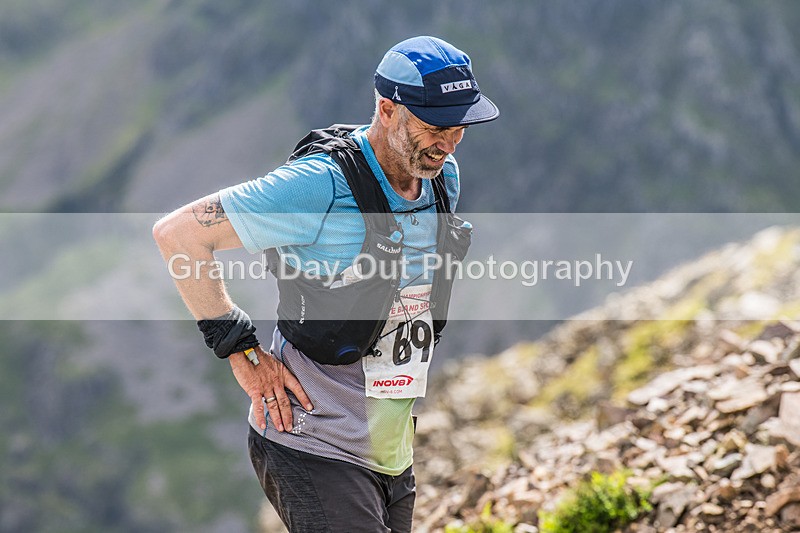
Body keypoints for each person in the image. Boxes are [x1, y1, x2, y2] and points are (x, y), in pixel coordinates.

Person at [153, 35, 499, 533]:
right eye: (435, 127)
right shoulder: (319, 184)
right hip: (313, 442)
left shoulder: (442, 179)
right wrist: (241, 351)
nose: (448, 143)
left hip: (391, 454)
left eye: (459, 127)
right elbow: (179, 235)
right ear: (387, 108)